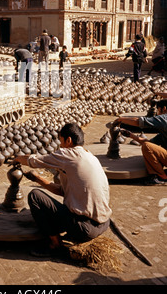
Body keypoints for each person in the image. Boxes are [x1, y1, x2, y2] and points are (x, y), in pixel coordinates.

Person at [13, 123, 112, 257]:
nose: (60, 145)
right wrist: (37, 179)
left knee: (35, 196)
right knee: (49, 203)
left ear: (68, 140)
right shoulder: (90, 156)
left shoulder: (69, 154)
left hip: (84, 228)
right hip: (104, 223)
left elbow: (35, 161)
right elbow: (63, 191)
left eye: (61, 141)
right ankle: (61, 232)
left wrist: (17, 159)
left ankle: (56, 244)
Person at [113, 99, 167, 185]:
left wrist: (121, 119)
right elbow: (150, 143)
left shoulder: (165, 118)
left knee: (147, 147)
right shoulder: (163, 131)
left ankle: (162, 177)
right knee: (148, 146)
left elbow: (140, 122)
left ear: (164, 109)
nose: (157, 113)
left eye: (158, 110)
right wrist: (131, 135)